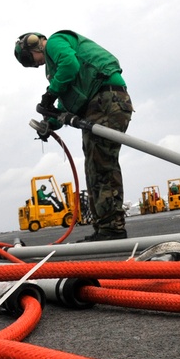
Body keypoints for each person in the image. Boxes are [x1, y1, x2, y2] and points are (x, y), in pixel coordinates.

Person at [14, 30, 133, 241]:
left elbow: (70, 66)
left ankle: (112, 229)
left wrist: (50, 93)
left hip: (106, 99)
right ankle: (104, 228)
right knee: (94, 166)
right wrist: (49, 123)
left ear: (33, 45)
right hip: (99, 105)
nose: (38, 65)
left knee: (101, 165)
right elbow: (66, 104)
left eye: (32, 60)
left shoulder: (54, 43)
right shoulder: (56, 67)